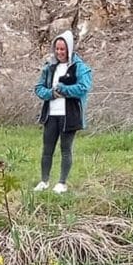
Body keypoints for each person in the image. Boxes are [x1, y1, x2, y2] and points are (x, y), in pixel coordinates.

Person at [33, 29, 92, 195]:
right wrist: (51, 93)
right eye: (57, 49)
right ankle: (44, 181)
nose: (59, 52)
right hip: (51, 115)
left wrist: (64, 89)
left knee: (66, 149)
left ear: (69, 49)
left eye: (63, 49)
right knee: (47, 149)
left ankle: (62, 183)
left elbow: (83, 88)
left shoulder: (79, 67)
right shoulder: (50, 68)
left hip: (69, 115)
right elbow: (39, 88)